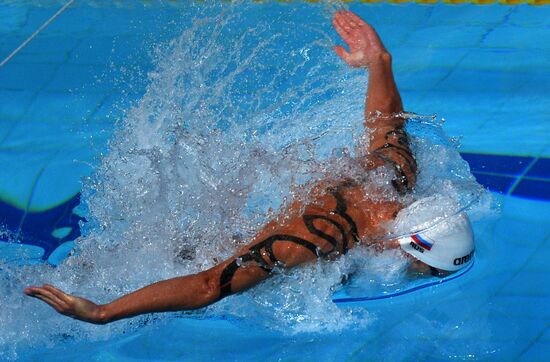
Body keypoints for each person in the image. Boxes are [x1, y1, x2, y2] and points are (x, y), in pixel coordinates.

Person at [24, 11, 474, 325]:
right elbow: (206, 288)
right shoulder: (315, 238)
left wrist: (379, 62)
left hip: (233, 231)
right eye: (426, 270)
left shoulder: (395, 178)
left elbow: (387, 123)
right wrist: (102, 313)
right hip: (184, 262)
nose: (419, 277)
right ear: (405, 246)